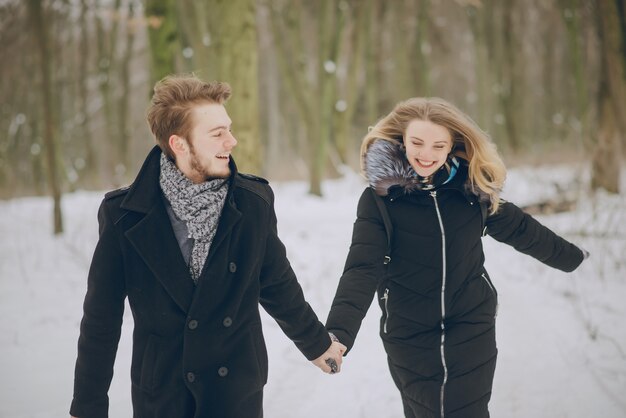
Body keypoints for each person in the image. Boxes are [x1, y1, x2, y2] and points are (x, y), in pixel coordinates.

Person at [69, 74, 346, 418]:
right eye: (217, 134)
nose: (232, 141)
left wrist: (317, 344)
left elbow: (275, 282)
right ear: (179, 144)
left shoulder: (252, 202)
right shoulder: (124, 216)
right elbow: (101, 318)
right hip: (163, 395)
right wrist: (87, 405)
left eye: (228, 129)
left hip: (236, 391)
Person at [325, 97, 589, 418]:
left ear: (452, 146)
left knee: (465, 410)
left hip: (471, 320)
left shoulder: (472, 190)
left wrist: (576, 258)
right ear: (401, 140)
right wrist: (339, 332)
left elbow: (519, 228)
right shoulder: (381, 198)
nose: (426, 154)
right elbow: (362, 267)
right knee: (427, 410)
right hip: (409, 329)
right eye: (417, 142)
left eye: (439, 145)